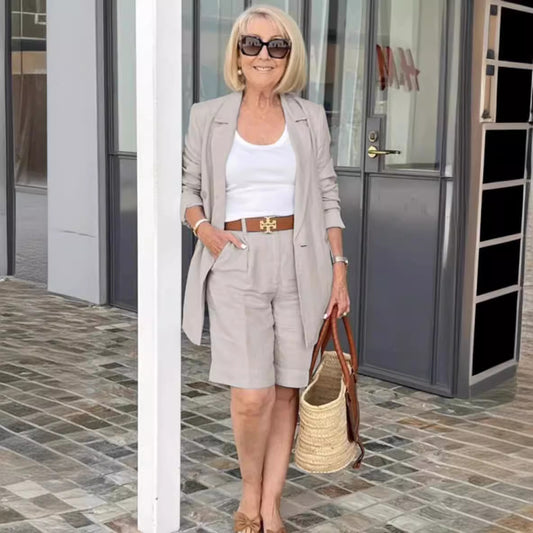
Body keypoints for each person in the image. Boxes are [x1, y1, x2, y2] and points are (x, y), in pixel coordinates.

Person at [181, 5, 349, 532]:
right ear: (237, 54)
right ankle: (249, 487)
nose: (264, 55)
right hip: (236, 257)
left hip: (301, 260)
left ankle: (270, 502)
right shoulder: (207, 116)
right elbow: (188, 189)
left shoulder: (309, 116)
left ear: (289, 56)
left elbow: (327, 194)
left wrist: (339, 267)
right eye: (251, 44)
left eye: (277, 45)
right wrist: (206, 231)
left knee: (285, 388)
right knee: (251, 395)